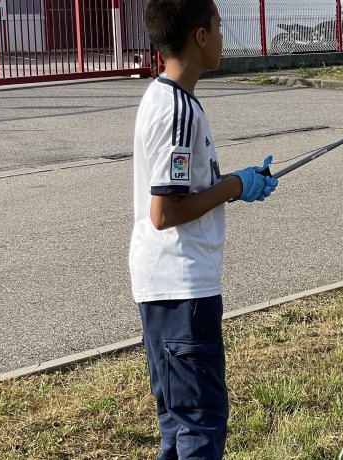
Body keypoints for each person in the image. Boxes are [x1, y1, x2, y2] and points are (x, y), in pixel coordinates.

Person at [130, 0, 278, 457]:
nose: (221, 36)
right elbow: (165, 211)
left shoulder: (166, 96)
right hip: (181, 290)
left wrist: (230, 181)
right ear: (199, 36)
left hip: (167, 287)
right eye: (217, 26)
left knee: (179, 426)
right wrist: (234, 186)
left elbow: (180, 188)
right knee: (201, 426)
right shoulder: (179, 110)